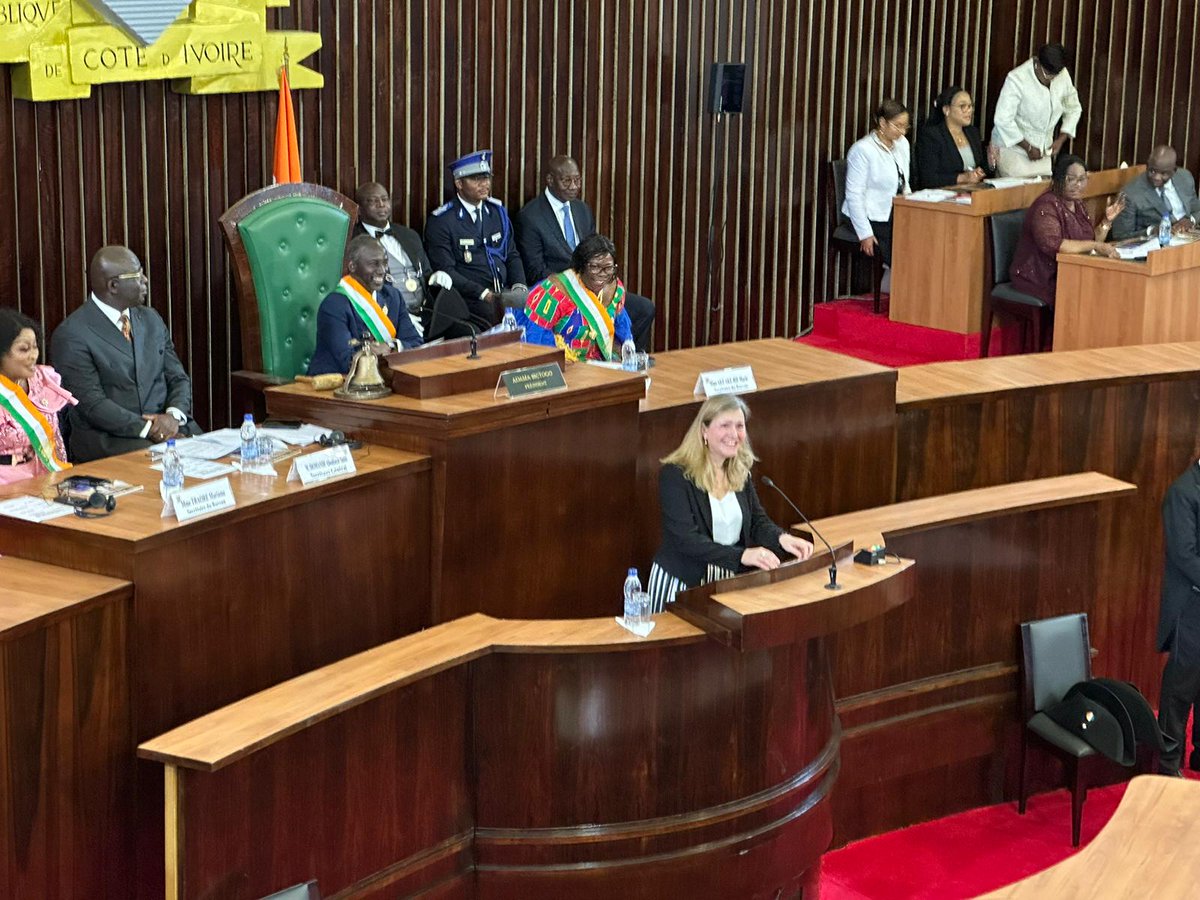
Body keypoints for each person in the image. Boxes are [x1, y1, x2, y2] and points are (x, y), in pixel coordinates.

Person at [647, 394, 814, 611]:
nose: (734, 434)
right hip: (681, 583)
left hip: (728, 581)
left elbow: (756, 521)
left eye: (739, 426)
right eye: (725, 425)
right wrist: (743, 555)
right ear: (704, 430)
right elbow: (685, 540)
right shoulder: (676, 475)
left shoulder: (739, 472)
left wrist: (782, 538)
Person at [51, 245, 200, 463]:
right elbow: (92, 404)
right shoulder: (72, 334)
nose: (146, 280)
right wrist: (151, 429)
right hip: (112, 440)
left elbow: (177, 378)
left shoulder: (151, 319)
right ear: (113, 285)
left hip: (172, 428)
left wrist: (173, 416)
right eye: (138, 275)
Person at [515, 155, 656, 351]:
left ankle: (628, 363)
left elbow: (595, 251)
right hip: (560, 292)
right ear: (550, 180)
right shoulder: (530, 216)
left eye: (577, 180)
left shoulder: (582, 210)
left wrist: (600, 277)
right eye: (567, 181)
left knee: (644, 308)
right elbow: (535, 270)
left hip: (593, 285)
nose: (574, 186)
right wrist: (574, 284)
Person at [424, 149, 528, 329]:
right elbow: (446, 269)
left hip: (504, 293)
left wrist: (520, 287)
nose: (484, 184)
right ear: (459, 183)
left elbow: (511, 254)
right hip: (471, 299)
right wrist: (484, 294)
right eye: (476, 179)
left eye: (486, 178)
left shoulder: (496, 212)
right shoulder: (442, 220)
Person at [1009, 155, 1124, 309]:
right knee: (1088, 294)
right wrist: (1095, 246)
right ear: (1057, 179)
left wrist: (1107, 221)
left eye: (1082, 179)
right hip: (1039, 277)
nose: (1077, 185)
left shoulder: (1077, 204)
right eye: (1071, 179)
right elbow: (1057, 245)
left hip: (1069, 271)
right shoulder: (1046, 206)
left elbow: (1090, 240)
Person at [307, 235, 423, 376]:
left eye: (384, 263)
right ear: (352, 266)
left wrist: (390, 346)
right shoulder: (334, 305)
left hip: (384, 381)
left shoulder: (393, 297)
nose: (382, 270)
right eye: (374, 264)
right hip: (335, 385)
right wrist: (374, 353)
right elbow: (348, 361)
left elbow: (416, 344)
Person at [353, 181, 454, 338]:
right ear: (359, 209)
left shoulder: (409, 235)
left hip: (427, 314)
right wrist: (399, 317)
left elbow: (426, 272)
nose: (381, 205)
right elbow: (359, 292)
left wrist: (436, 276)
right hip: (387, 317)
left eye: (385, 199)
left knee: (467, 336)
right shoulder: (354, 241)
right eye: (373, 201)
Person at [519, 233, 633, 362]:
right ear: (581, 266)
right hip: (565, 366)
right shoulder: (553, 293)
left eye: (608, 268)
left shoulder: (614, 291)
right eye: (595, 267)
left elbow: (623, 335)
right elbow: (536, 344)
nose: (602, 274)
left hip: (602, 366)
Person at [1156, 460, 1200, 775]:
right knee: (1181, 686)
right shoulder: (1182, 492)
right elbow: (1183, 554)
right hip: (1190, 606)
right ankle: (1168, 761)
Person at [0, 308, 76, 483]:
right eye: (24, 349)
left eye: (35, 347)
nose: (33, 355)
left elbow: (55, 438)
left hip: (43, 475)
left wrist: (60, 479)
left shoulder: (42, 380)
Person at [991, 43, 1083, 178]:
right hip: (1013, 149)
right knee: (1018, 194)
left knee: (1042, 194)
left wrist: (1061, 139)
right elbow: (1002, 119)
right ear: (1037, 63)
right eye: (1048, 74)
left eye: (1055, 75)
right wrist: (1028, 147)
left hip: (1043, 151)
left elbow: (1073, 107)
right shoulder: (1017, 79)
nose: (1052, 78)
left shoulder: (1062, 74)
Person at [842, 99, 912, 266]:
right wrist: (865, 233)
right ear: (882, 123)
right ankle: (898, 287)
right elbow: (854, 195)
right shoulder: (862, 150)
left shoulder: (902, 144)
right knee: (900, 249)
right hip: (869, 215)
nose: (902, 132)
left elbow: (904, 182)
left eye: (905, 126)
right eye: (898, 126)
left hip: (895, 211)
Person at [1110, 145, 1200, 240]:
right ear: (1147, 165)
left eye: (1163, 173)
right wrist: (1152, 231)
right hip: (1156, 244)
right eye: (1152, 171)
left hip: (1190, 236)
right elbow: (1120, 236)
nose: (1156, 177)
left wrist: (1191, 221)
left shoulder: (1184, 177)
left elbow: (1197, 210)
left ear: (1174, 171)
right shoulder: (1130, 193)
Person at [914, 86, 992, 189]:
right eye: (962, 106)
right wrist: (963, 178)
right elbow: (929, 178)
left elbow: (983, 165)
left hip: (973, 191)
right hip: (943, 194)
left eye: (970, 106)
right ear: (946, 110)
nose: (969, 110)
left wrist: (986, 167)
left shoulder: (973, 132)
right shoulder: (931, 135)